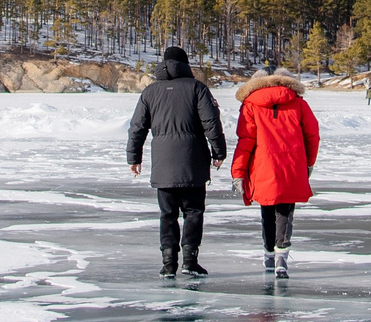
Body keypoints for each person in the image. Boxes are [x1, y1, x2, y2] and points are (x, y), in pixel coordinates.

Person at [127, 45, 226, 277]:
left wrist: (134, 157)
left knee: (167, 214)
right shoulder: (197, 88)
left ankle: (168, 263)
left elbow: (137, 127)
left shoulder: (150, 92)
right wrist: (219, 152)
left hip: (163, 164)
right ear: (185, 64)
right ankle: (190, 262)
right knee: (193, 212)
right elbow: (211, 122)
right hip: (192, 163)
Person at [231, 68, 320, 279]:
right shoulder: (298, 103)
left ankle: (269, 254)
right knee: (285, 211)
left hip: (263, 165)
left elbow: (245, 141)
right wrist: (309, 163)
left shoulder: (251, 105)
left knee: (267, 210)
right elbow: (312, 135)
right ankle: (282, 256)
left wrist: (238, 172)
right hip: (292, 164)